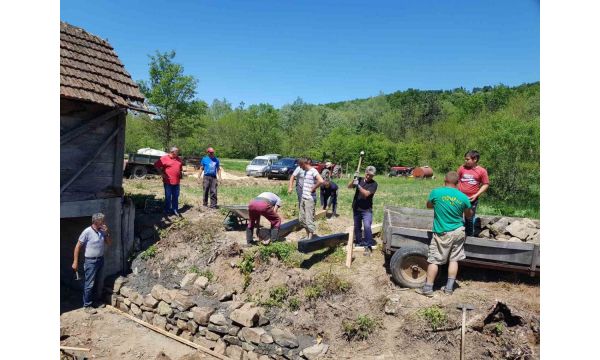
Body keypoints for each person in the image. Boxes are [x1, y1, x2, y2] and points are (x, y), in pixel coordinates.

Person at [416, 171, 473, 297]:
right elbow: (469, 215)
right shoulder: (463, 197)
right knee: (454, 259)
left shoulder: (436, 192)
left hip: (443, 232)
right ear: (458, 183)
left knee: (434, 260)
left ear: (444, 180)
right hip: (459, 231)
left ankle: (428, 288)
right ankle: (448, 289)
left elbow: (429, 206)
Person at [72, 213, 112, 314]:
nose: (104, 223)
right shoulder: (87, 232)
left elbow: (109, 243)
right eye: (102, 221)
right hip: (90, 261)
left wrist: (107, 233)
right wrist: (75, 261)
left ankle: (95, 302)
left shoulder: (102, 231)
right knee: (89, 284)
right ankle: (87, 305)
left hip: (100, 260)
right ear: (96, 222)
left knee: (98, 282)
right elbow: (78, 247)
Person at [457, 150, 489, 236]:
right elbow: (456, 181)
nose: (465, 161)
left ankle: (469, 236)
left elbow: (485, 184)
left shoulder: (482, 171)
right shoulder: (461, 168)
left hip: (471, 199)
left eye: (467, 159)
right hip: (459, 198)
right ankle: (459, 234)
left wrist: (476, 195)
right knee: (457, 216)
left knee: (469, 218)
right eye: (465, 159)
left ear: (475, 159)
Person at [348, 166, 378, 256]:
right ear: (365, 173)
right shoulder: (359, 179)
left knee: (367, 226)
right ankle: (359, 242)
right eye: (368, 174)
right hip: (356, 207)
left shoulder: (374, 184)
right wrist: (354, 180)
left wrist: (358, 185)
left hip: (366, 209)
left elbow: (366, 194)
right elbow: (349, 187)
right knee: (357, 226)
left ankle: (368, 246)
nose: (369, 176)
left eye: (371, 175)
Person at [298, 159, 324, 239]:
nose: (300, 167)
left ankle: (310, 238)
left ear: (304, 164)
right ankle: (307, 234)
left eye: (300, 165)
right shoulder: (306, 171)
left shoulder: (313, 171)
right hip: (303, 197)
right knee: (302, 219)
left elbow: (321, 180)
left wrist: (314, 188)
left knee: (309, 219)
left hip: (310, 199)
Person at [154, 146, 183, 217]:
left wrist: (180, 174)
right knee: (168, 196)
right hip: (168, 182)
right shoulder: (164, 158)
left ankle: (175, 210)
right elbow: (156, 165)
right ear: (172, 152)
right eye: (177, 151)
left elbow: (180, 168)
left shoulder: (178, 159)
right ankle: (167, 210)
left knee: (176, 196)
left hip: (177, 182)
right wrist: (162, 174)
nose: (178, 153)